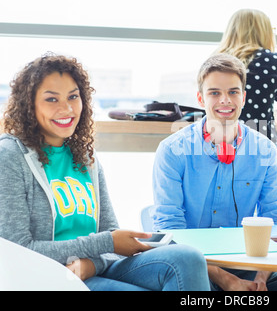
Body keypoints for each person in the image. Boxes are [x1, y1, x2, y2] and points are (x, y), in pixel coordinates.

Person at [0, 53, 210, 291]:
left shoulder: (85, 157)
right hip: (50, 277)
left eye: (73, 97)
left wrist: (90, 264)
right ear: (29, 105)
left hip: (90, 269)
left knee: (188, 258)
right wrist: (106, 244)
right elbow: (18, 251)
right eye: (51, 100)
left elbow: (110, 239)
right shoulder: (10, 156)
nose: (67, 108)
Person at [152, 53, 277, 291]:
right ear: (200, 98)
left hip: (244, 262)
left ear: (243, 97)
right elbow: (169, 226)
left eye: (233, 92)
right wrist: (225, 279)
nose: (225, 101)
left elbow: (275, 220)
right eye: (214, 93)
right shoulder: (172, 150)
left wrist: (261, 277)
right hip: (192, 264)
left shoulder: (265, 151)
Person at [215, 9, 277, 181]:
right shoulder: (276, 63)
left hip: (219, 152)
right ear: (265, 32)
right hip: (261, 152)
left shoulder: (216, 62)